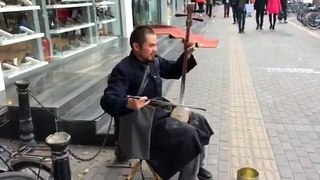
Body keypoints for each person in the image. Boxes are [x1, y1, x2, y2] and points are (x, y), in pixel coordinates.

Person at [100, 26, 214, 180]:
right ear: (136, 47)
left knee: (198, 120)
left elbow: (173, 70)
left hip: (160, 112)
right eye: (151, 45)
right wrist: (128, 103)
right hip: (144, 124)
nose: (155, 49)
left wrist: (186, 55)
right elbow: (107, 99)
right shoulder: (123, 70)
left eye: (156, 44)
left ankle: (197, 167)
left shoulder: (154, 60)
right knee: (189, 134)